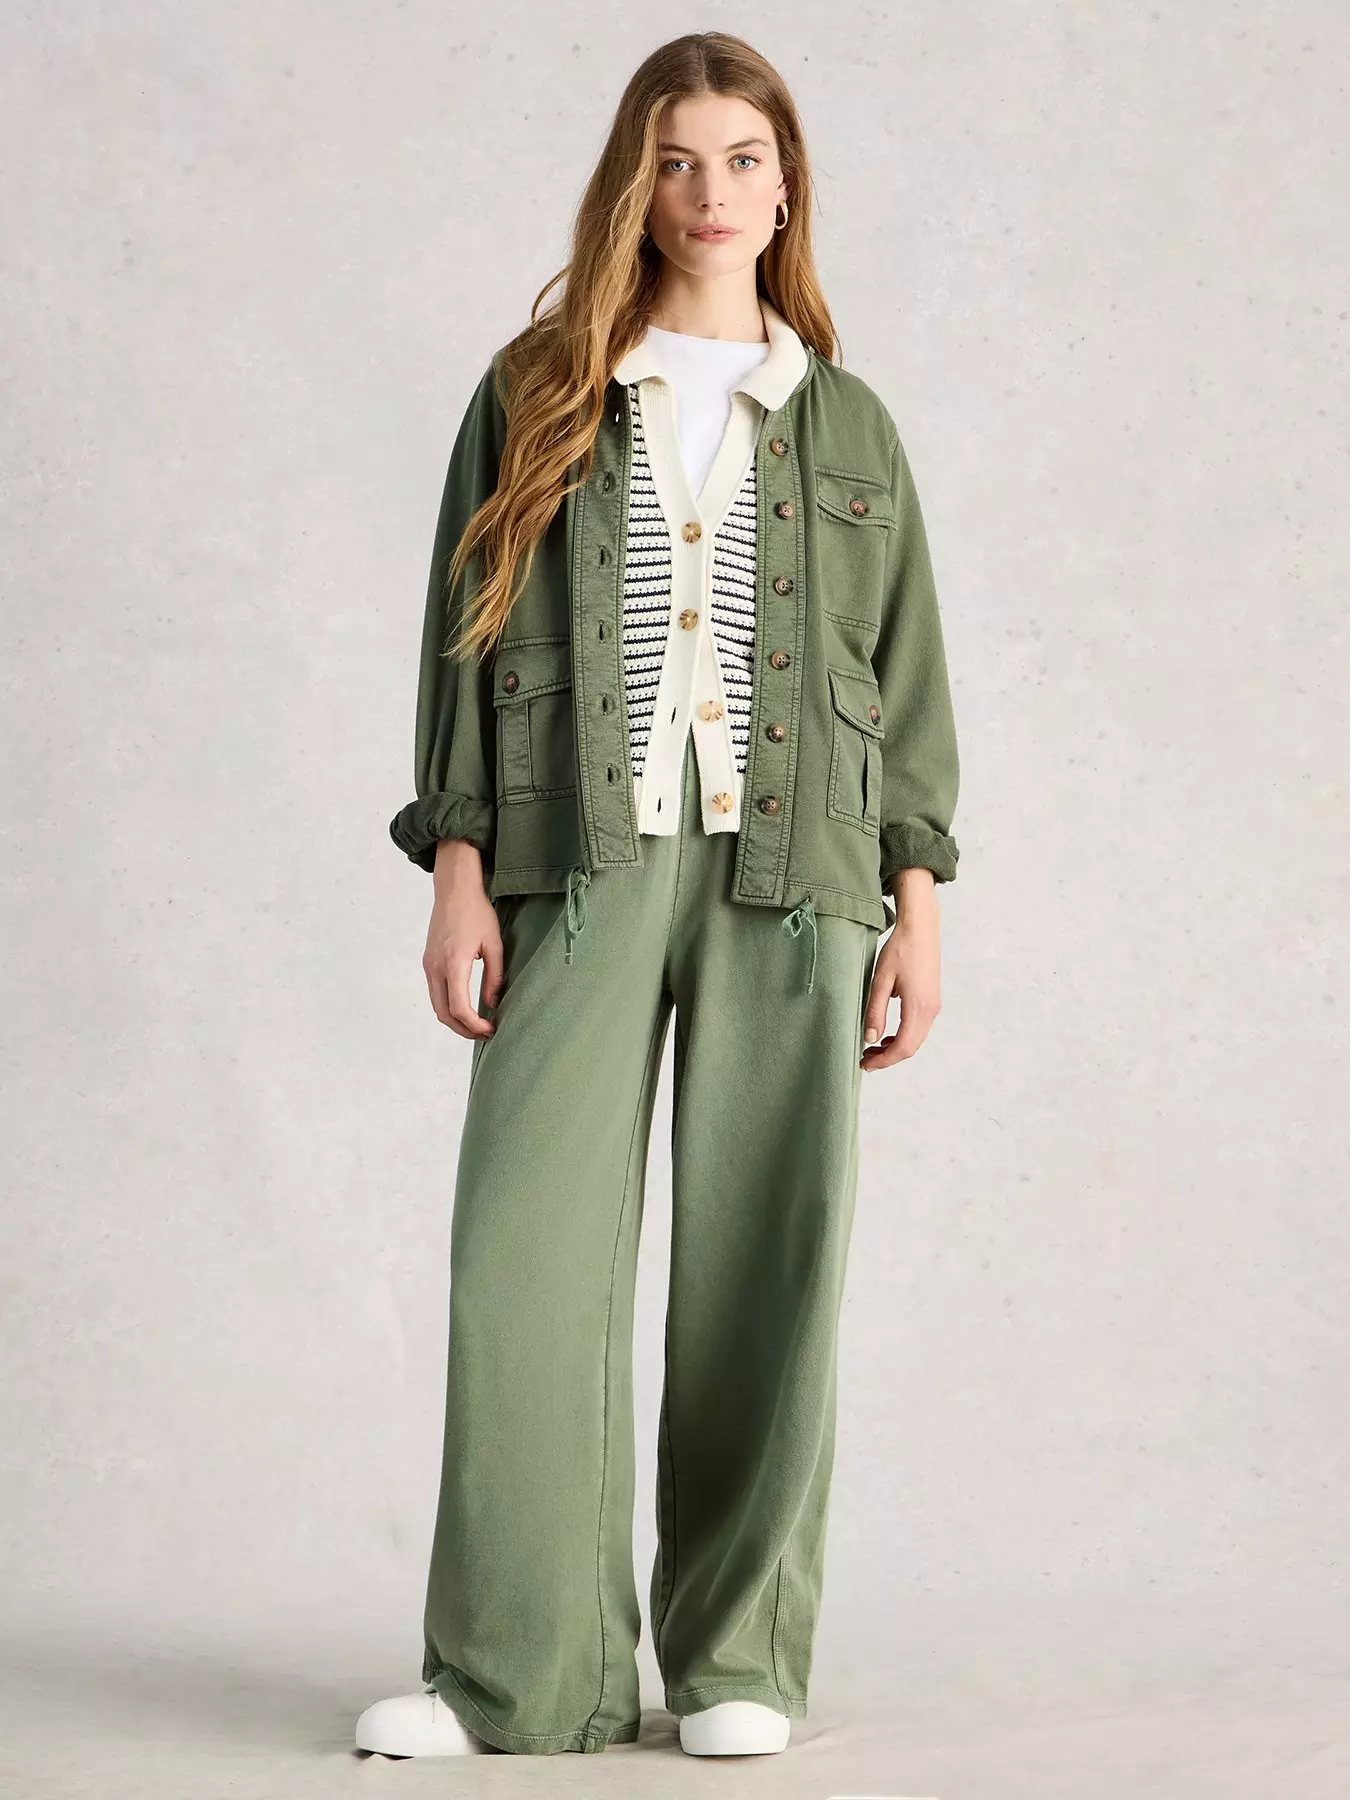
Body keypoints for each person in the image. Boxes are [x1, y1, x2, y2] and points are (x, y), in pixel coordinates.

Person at [355, 29, 961, 1762]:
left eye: (743, 160)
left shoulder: (846, 419)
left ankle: (737, 1662)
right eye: (677, 160)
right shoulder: (537, 388)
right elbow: (464, 639)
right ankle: (517, 1677)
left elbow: (904, 673)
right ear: (637, 183)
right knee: (524, 1256)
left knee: (770, 1259)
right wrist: (458, 867)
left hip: (799, 868)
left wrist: (917, 905)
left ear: (786, 188)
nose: (711, 193)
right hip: (576, 855)